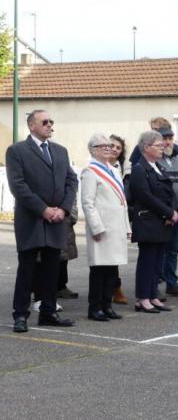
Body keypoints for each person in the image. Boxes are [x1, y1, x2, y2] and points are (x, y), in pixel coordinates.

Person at [6, 110, 78, 333]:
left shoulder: (60, 151)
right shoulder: (17, 151)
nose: (50, 125)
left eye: (51, 122)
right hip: (31, 220)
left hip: (56, 219)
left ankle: (48, 312)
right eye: (44, 122)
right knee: (27, 270)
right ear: (31, 126)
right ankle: (20, 315)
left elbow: (71, 180)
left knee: (51, 270)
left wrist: (63, 209)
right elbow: (18, 185)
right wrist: (43, 209)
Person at [81, 133, 130, 321]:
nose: (109, 148)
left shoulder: (114, 170)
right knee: (99, 270)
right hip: (102, 227)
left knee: (112, 270)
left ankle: (107, 305)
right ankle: (95, 307)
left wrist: (126, 226)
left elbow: (122, 202)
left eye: (110, 146)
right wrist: (96, 227)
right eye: (104, 146)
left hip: (116, 227)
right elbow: (88, 202)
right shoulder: (90, 171)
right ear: (94, 150)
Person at [129, 130, 177, 313]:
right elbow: (145, 195)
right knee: (147, 261)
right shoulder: (139, 169)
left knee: (157, 261)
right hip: (148, 221)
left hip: (161, 221)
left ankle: (153, 295)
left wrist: (170, 212)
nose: (162, 148)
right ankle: (143, 298)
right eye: (158, 145)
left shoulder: (158, 167)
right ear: (146, 147)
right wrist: (167, 212)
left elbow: (168, 192)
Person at [157, 127, 178, 298]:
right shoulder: (155, 160)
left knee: (173, 249)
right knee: (158, 249)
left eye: (170, 138)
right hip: (162, 213)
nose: (168, 142)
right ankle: (154, 283)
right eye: (164, 138)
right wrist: (166, 211)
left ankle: (171, 282)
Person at [107, 134, 129, 305]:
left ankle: (115, 287)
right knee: (105, 257)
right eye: (112, 146)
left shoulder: (123, 168)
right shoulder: (99, 166)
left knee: (115, 256)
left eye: (118, 148)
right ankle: (111, 288)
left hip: (120, 215)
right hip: (105, 216)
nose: (114, 149)